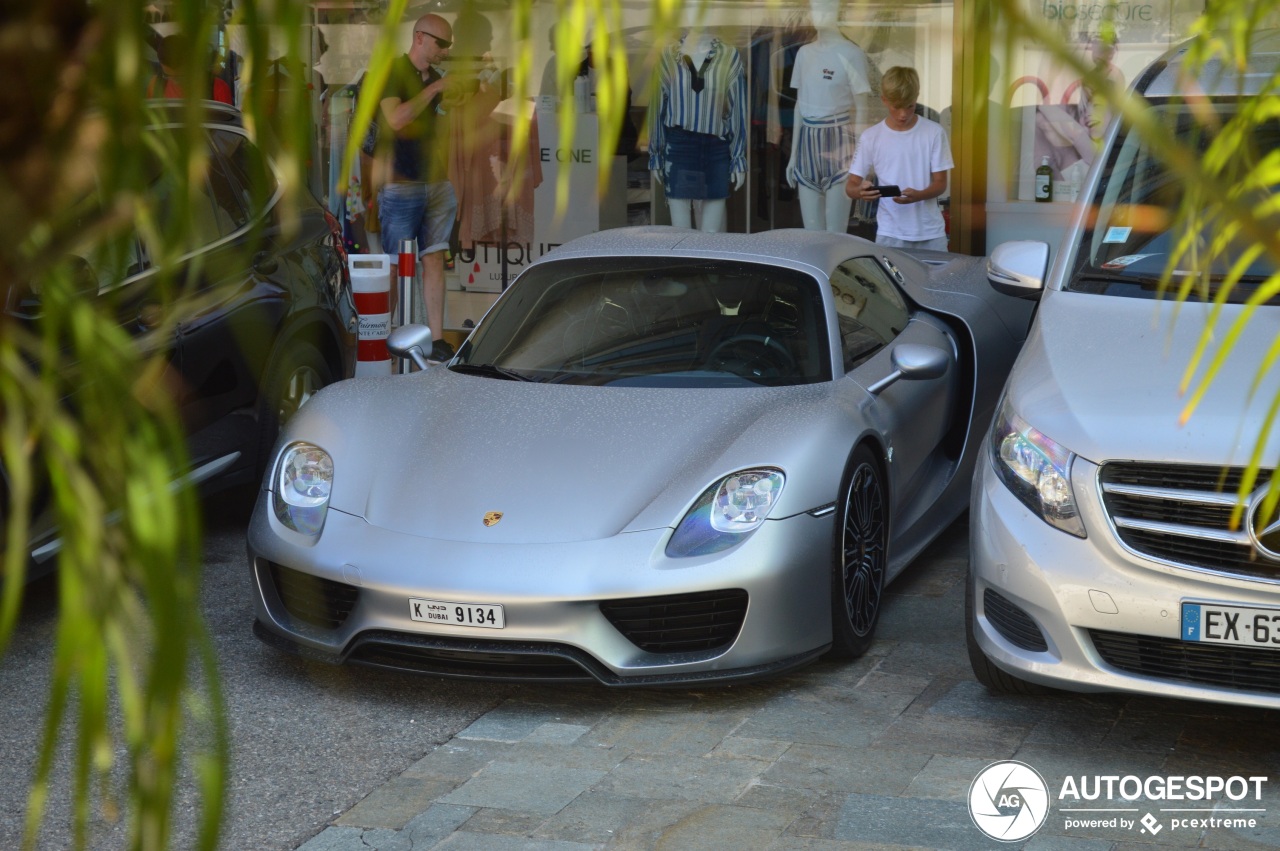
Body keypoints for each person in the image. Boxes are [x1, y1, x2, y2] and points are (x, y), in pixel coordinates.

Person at [377, 13, 461, 363]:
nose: (445, 50)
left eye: (448, 45)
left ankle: (436, 338)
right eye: (441, 43)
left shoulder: (436, 79)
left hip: (435, 179)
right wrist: (436, 90)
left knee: (435, 258)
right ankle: (382, 332)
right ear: (420, 38)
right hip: (401, 181)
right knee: (396, 263)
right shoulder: (392, 73)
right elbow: (395, 119)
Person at [648, 10, 747, 233]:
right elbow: (657, 108)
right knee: (680, 235)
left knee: (710, 238)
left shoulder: (728, 55)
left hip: (716, 146)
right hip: (679, 145)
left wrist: (739, 157)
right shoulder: (668, 56)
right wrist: (656, 153)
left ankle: (707, 268)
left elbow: (736, 109)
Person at [844, 66, 953, 251]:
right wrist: (861, 192)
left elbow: (941, 183)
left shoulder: (934, 132)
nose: (903, 114)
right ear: (884, 100)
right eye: (896, 107)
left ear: (916, 97)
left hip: (931, 232)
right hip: (890, 233)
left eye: (909, 106)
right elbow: (851, 186)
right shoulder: (871, 136)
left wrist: (919, 196)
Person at [787, 0, 872, 233]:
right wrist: (793, 156)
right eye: (815, 7)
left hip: (839, 139)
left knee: (836, 234)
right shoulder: (804, 53)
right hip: (808, 140)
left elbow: (862, 106)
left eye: (826, 7)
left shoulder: (851, 53)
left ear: (838, 12)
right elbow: (799, 105)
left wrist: (860, 154)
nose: (819, 13)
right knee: (811, 234)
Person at [147, 34, 234, 104]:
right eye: (167, 75)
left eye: (180, 77)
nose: (174, 80)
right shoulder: (156, 86)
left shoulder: (217, 89)